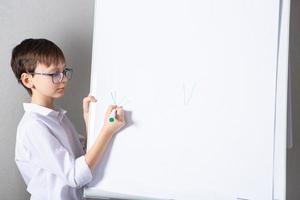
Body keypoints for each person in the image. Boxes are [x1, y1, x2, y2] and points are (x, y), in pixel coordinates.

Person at [10, 38, 126, 200]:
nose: (63, 78)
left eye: (64, 71)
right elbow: (75, 176)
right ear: (28, 80)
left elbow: (84, 156)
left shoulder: (57, 118)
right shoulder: (34, 126)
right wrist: (107, 131)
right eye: (54, 73)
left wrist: (89, 120)